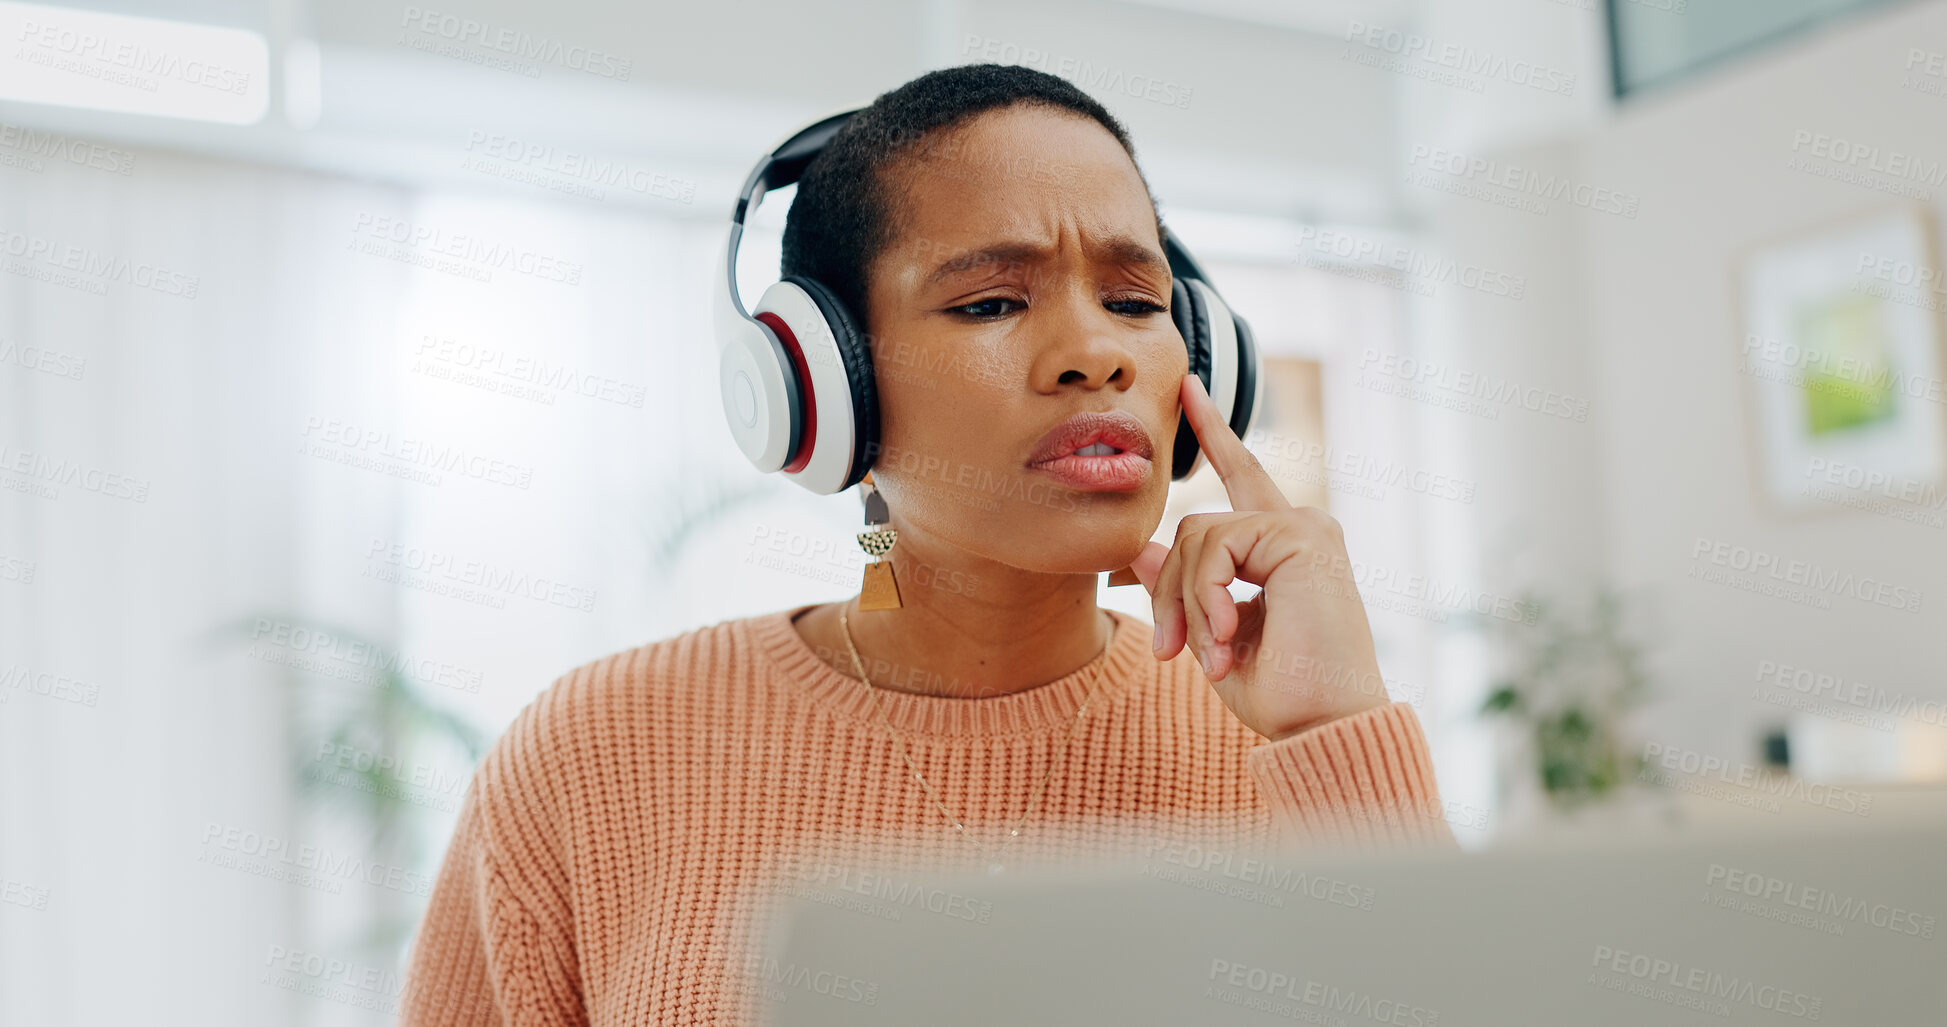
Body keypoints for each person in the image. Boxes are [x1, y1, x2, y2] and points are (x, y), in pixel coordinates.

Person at [398, 62, 1454, 1027]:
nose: (1096, 353)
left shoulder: (1288, 752)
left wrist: (1332, 734)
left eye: (1134, 301)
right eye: (991, 300)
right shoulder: (594, 753)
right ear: (824, 384)